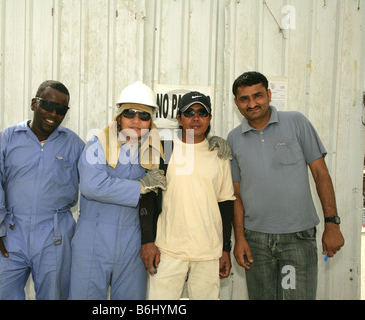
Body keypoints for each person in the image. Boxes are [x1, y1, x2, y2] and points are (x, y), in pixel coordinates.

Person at [227, 71, 345, 300]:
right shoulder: (234, 139)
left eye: (257, 95)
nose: (252, 103)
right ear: (236, 103)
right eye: (244, 99)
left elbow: (321, 174)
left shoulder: (296, 122)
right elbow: (237, 195)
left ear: (269, 95)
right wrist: (239, 238)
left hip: (297, 239)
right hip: (256, 242)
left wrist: (332, 224)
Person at [0, 80, 84, 300]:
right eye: (47, 105)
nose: (53, 114)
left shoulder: (74, 145)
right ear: (34, 103)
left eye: (61, 110)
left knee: (54, 296)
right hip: (10, 234)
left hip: (55, 236)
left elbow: (95, 185)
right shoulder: (8, 139)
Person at [68, 81, 167, 300]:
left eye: (144, 115)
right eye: (130, 113)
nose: (136, 120)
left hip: (132, 244)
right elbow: (92, 186)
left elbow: (189, 154)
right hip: (93, 241)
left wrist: (210, 142)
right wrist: (140, 187)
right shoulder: (98, 145)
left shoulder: (155, 150)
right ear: (119, 116)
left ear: (151, 121)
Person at [146, 91, 236, 300]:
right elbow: (149, 198)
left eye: (202, 112)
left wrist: (225, 249)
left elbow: (226, 204)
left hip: (208, 253)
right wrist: (147, 241)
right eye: (189, 112)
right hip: (169, 251)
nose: (196, 118)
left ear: (210, 118)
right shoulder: (163, 149)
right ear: (179, 118)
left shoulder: (219, 154)